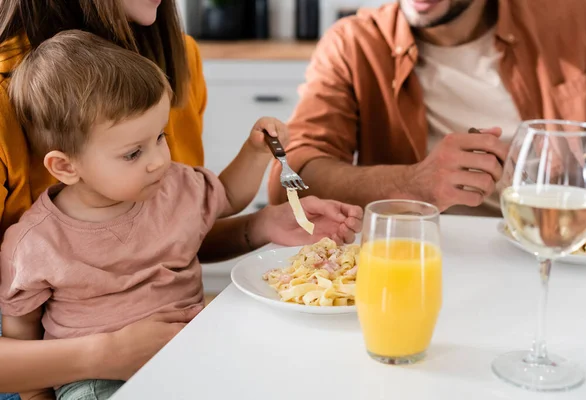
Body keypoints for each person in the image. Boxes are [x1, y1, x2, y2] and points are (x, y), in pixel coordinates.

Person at [0, 0, 360, 396]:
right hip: (92, 380)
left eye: (161, 138)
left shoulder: (167, 175)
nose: (159, 161)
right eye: (134, 153)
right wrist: (52, 384)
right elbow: (20, 331)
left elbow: (220, 200)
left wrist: (258, 176)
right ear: (66, 167)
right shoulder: (34, 243)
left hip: (190, 344)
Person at [267, 0, 586, 216]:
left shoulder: (573, 17)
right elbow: (288, 183)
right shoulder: (354, 44)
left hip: (558, 248)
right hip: (426, 257)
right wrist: (409, 183)